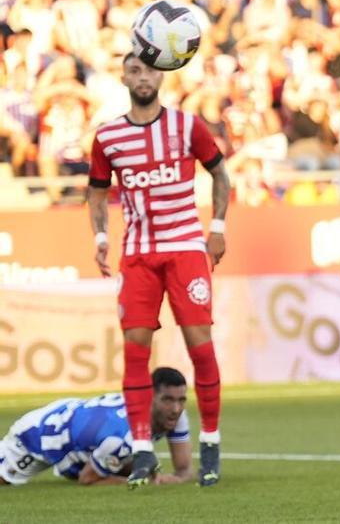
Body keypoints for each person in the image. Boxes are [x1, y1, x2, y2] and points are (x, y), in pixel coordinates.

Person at [86, 54, 230, 488]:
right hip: (139, 255)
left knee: (200, 347)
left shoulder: (187, 126)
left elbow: (220, 174)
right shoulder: (108, 137)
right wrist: (100, 238)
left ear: (160, 76)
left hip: (185, 248)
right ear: (125, 78)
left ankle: (210, 441)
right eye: (134, 71)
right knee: (135, 349)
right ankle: (144, 449)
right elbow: (95, 193)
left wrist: (217, 227)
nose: (142, 77)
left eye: (149, 70)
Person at [0, 368, 193, 487]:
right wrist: (140, 482)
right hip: (40, 435)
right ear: (148, 397)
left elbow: (183, 470)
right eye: (167, 400)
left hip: (77, 426)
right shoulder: (122, 436)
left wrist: (165, 477)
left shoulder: (176, 415)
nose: (175, 409)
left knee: (133, 464)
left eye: (181, 400)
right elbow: (88, 479)